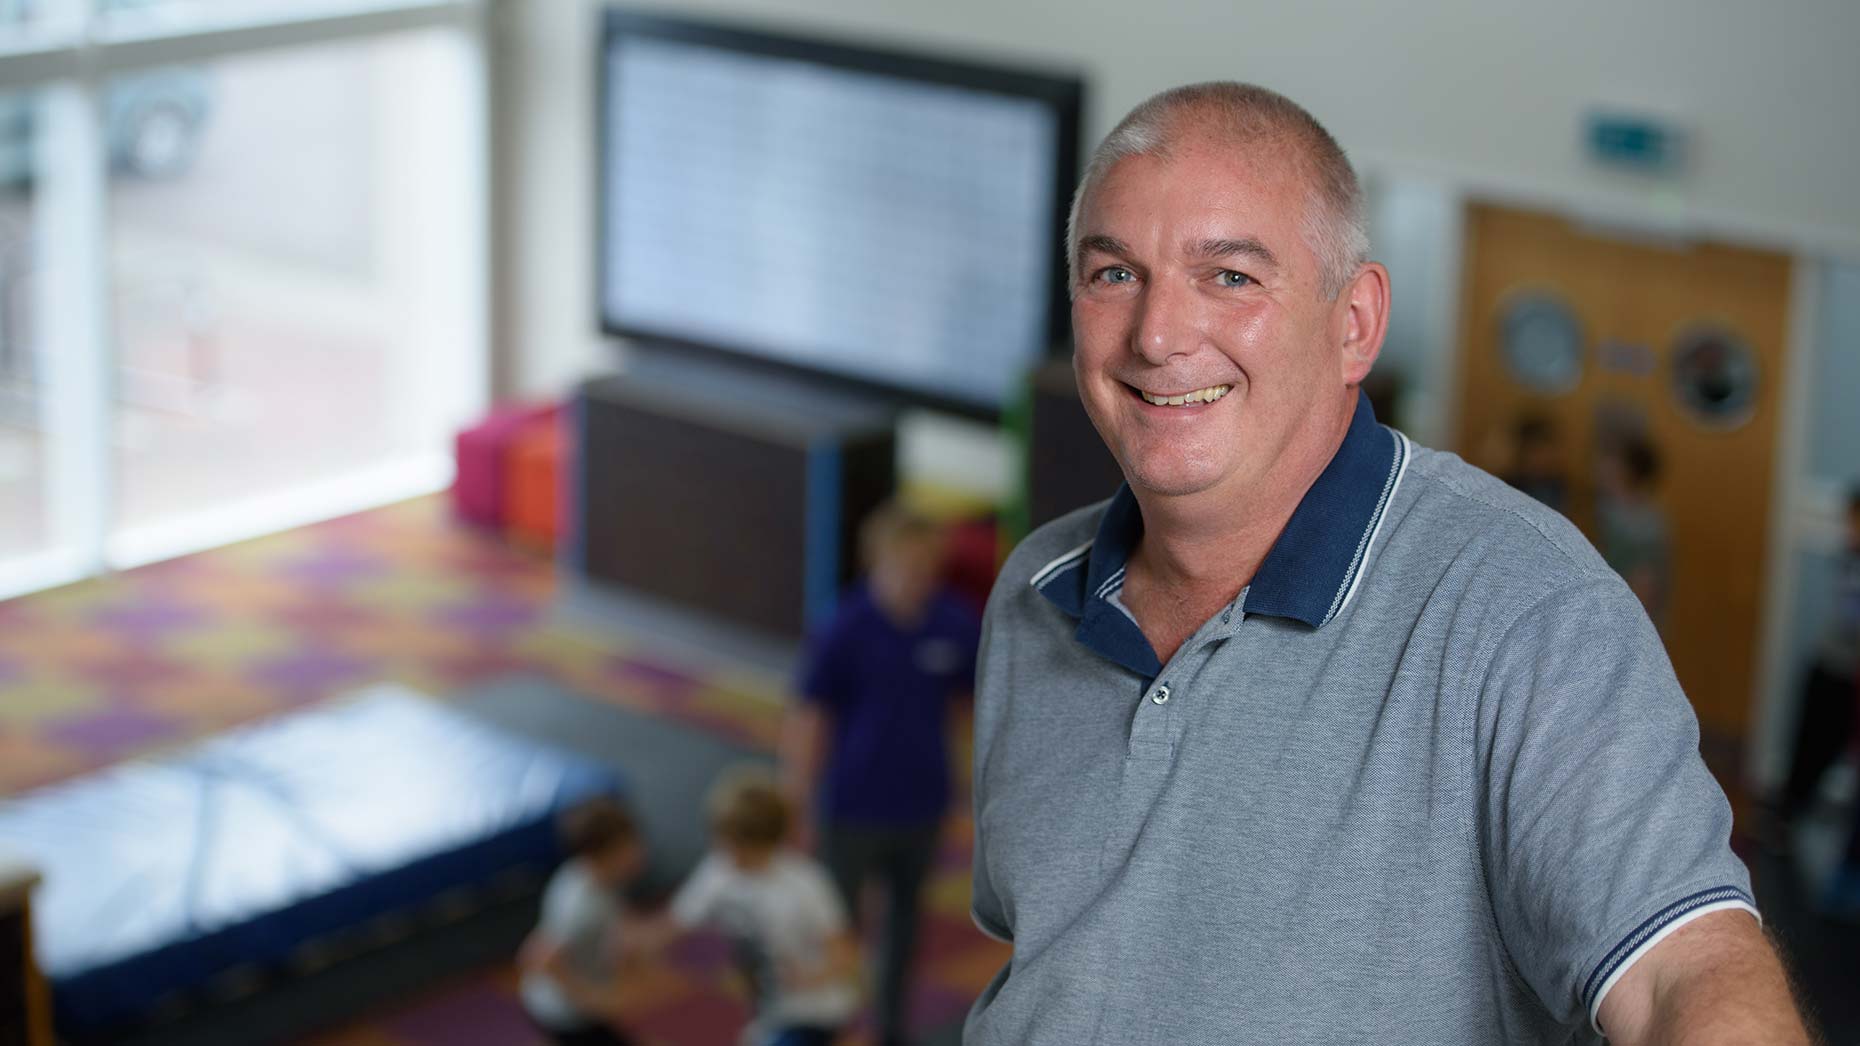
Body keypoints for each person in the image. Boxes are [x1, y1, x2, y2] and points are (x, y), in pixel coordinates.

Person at [966, 82, 1809, 1044]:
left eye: (1230, 277)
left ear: (1355, 323)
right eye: (1114, 273)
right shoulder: (1034, 590)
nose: (1157, 335)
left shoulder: (1528, 613)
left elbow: (1681, 974)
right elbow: (1050, 956)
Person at [781, 500, 981, 1046]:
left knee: (903, 930)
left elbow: (968, 710)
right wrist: (795, 805)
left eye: (927, 566)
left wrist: (968, 792)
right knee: (833, 930)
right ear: (876, 562)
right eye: (906, 565)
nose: (918, 578)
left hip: (922, 807)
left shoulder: (954, 623)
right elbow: (809, 719)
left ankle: (891, 1030)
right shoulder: (843, 628)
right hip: (851, 808)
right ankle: (824, 1028)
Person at [668, 765, 860, 1046]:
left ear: (756, 843)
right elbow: (677, 921)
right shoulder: (718, 871)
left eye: (728, 841)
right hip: (767, 1010)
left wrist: (809, 977)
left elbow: (845, 954)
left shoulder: (806, 883)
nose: (720, 847)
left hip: (813, 1011)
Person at [519, 796, 648, 1046]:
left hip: (567, 1001)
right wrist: (595, 1000)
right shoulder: (583, 909)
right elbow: (538, 957)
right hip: (564, 1012)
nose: (639, 851)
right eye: (628, 847)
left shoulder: (582, 874)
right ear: (601, 854)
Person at [1775, 485, 1860, 826]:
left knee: (1823, 744)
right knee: (1808, 743)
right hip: (1829, 666)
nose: (1848, 529)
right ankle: (1790, 807)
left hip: (1845, 675)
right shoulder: (1849, 559)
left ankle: (1794, 807)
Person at [1596, 432, 1671, 628]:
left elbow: (1644, 587)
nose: (1602, 465)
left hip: (1622, 623)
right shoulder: (1602, 509)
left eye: (1612, 460)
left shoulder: (1645, 522)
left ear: (1627, 471)